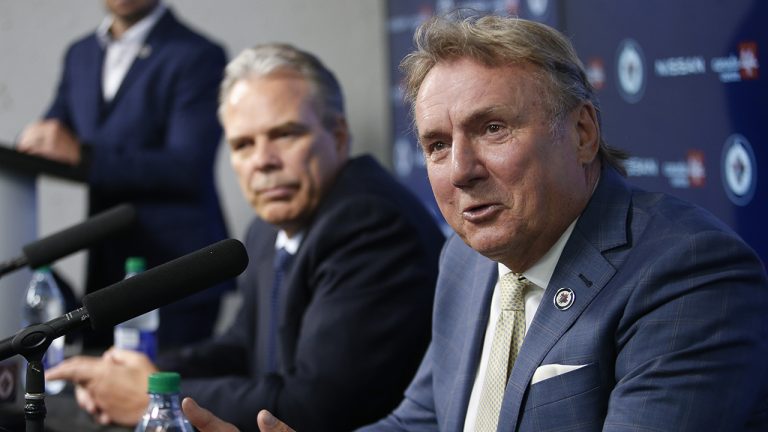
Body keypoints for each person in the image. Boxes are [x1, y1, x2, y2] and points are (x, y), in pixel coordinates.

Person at [181, 14, 768, 432]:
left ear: (584, 133)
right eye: (437, 145)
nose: (461, 171)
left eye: (493, 129)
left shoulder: (687, 274)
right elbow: (423, 420)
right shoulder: (465, 256)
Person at [46, 43, 445, 431]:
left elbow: (312, 407)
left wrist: (152, 397)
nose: (262, 161)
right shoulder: (268, 227)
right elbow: (242, 346)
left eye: (285, 134)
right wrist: (139, 374)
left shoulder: (369, 224)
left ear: (339, 135)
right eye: (243, 144)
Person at [15, 0, 232, 349]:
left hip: (178, 272)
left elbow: (187, 166)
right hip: (107, 275)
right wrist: (34, 140)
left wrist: (84, 156)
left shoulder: (198, 54)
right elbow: (53, 137)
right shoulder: (80, 55)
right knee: (96, 395)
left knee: (161, 394)